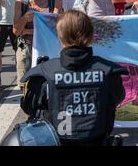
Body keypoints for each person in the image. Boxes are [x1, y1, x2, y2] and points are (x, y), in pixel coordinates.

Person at [20, 10, 127, 146]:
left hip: (56, 141)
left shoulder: (44, 72)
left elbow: (29, 108)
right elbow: (118, 98)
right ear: (90, 36)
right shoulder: (108, 71)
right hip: (98, 140)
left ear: (60, 36)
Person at [13, 0, 63, 88]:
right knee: (26, 87)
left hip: (49, 49)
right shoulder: (21, 2)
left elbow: (58, 29)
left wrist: (28, 30)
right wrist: (25, 18)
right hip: (27, 48)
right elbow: (16, 31)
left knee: (51, 84)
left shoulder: (55, 1)